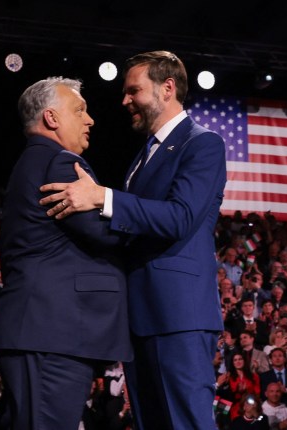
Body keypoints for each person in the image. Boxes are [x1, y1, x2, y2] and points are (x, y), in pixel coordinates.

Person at [38, 50, 227, 430]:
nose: (124, 101)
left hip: (179, 316)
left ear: (167, 88)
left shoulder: (203, 144)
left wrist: (102, 197)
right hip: (141, 316)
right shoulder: (144, 155)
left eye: (133, 91)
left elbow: (179, 217)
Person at [0, 76, 131, 429]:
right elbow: (106, 234)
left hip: (42, 331)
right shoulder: (60, 163)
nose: (90, 120)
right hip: (50, 333)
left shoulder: (36, 160)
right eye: (80, 110)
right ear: (51, 118)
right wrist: (151, 216)